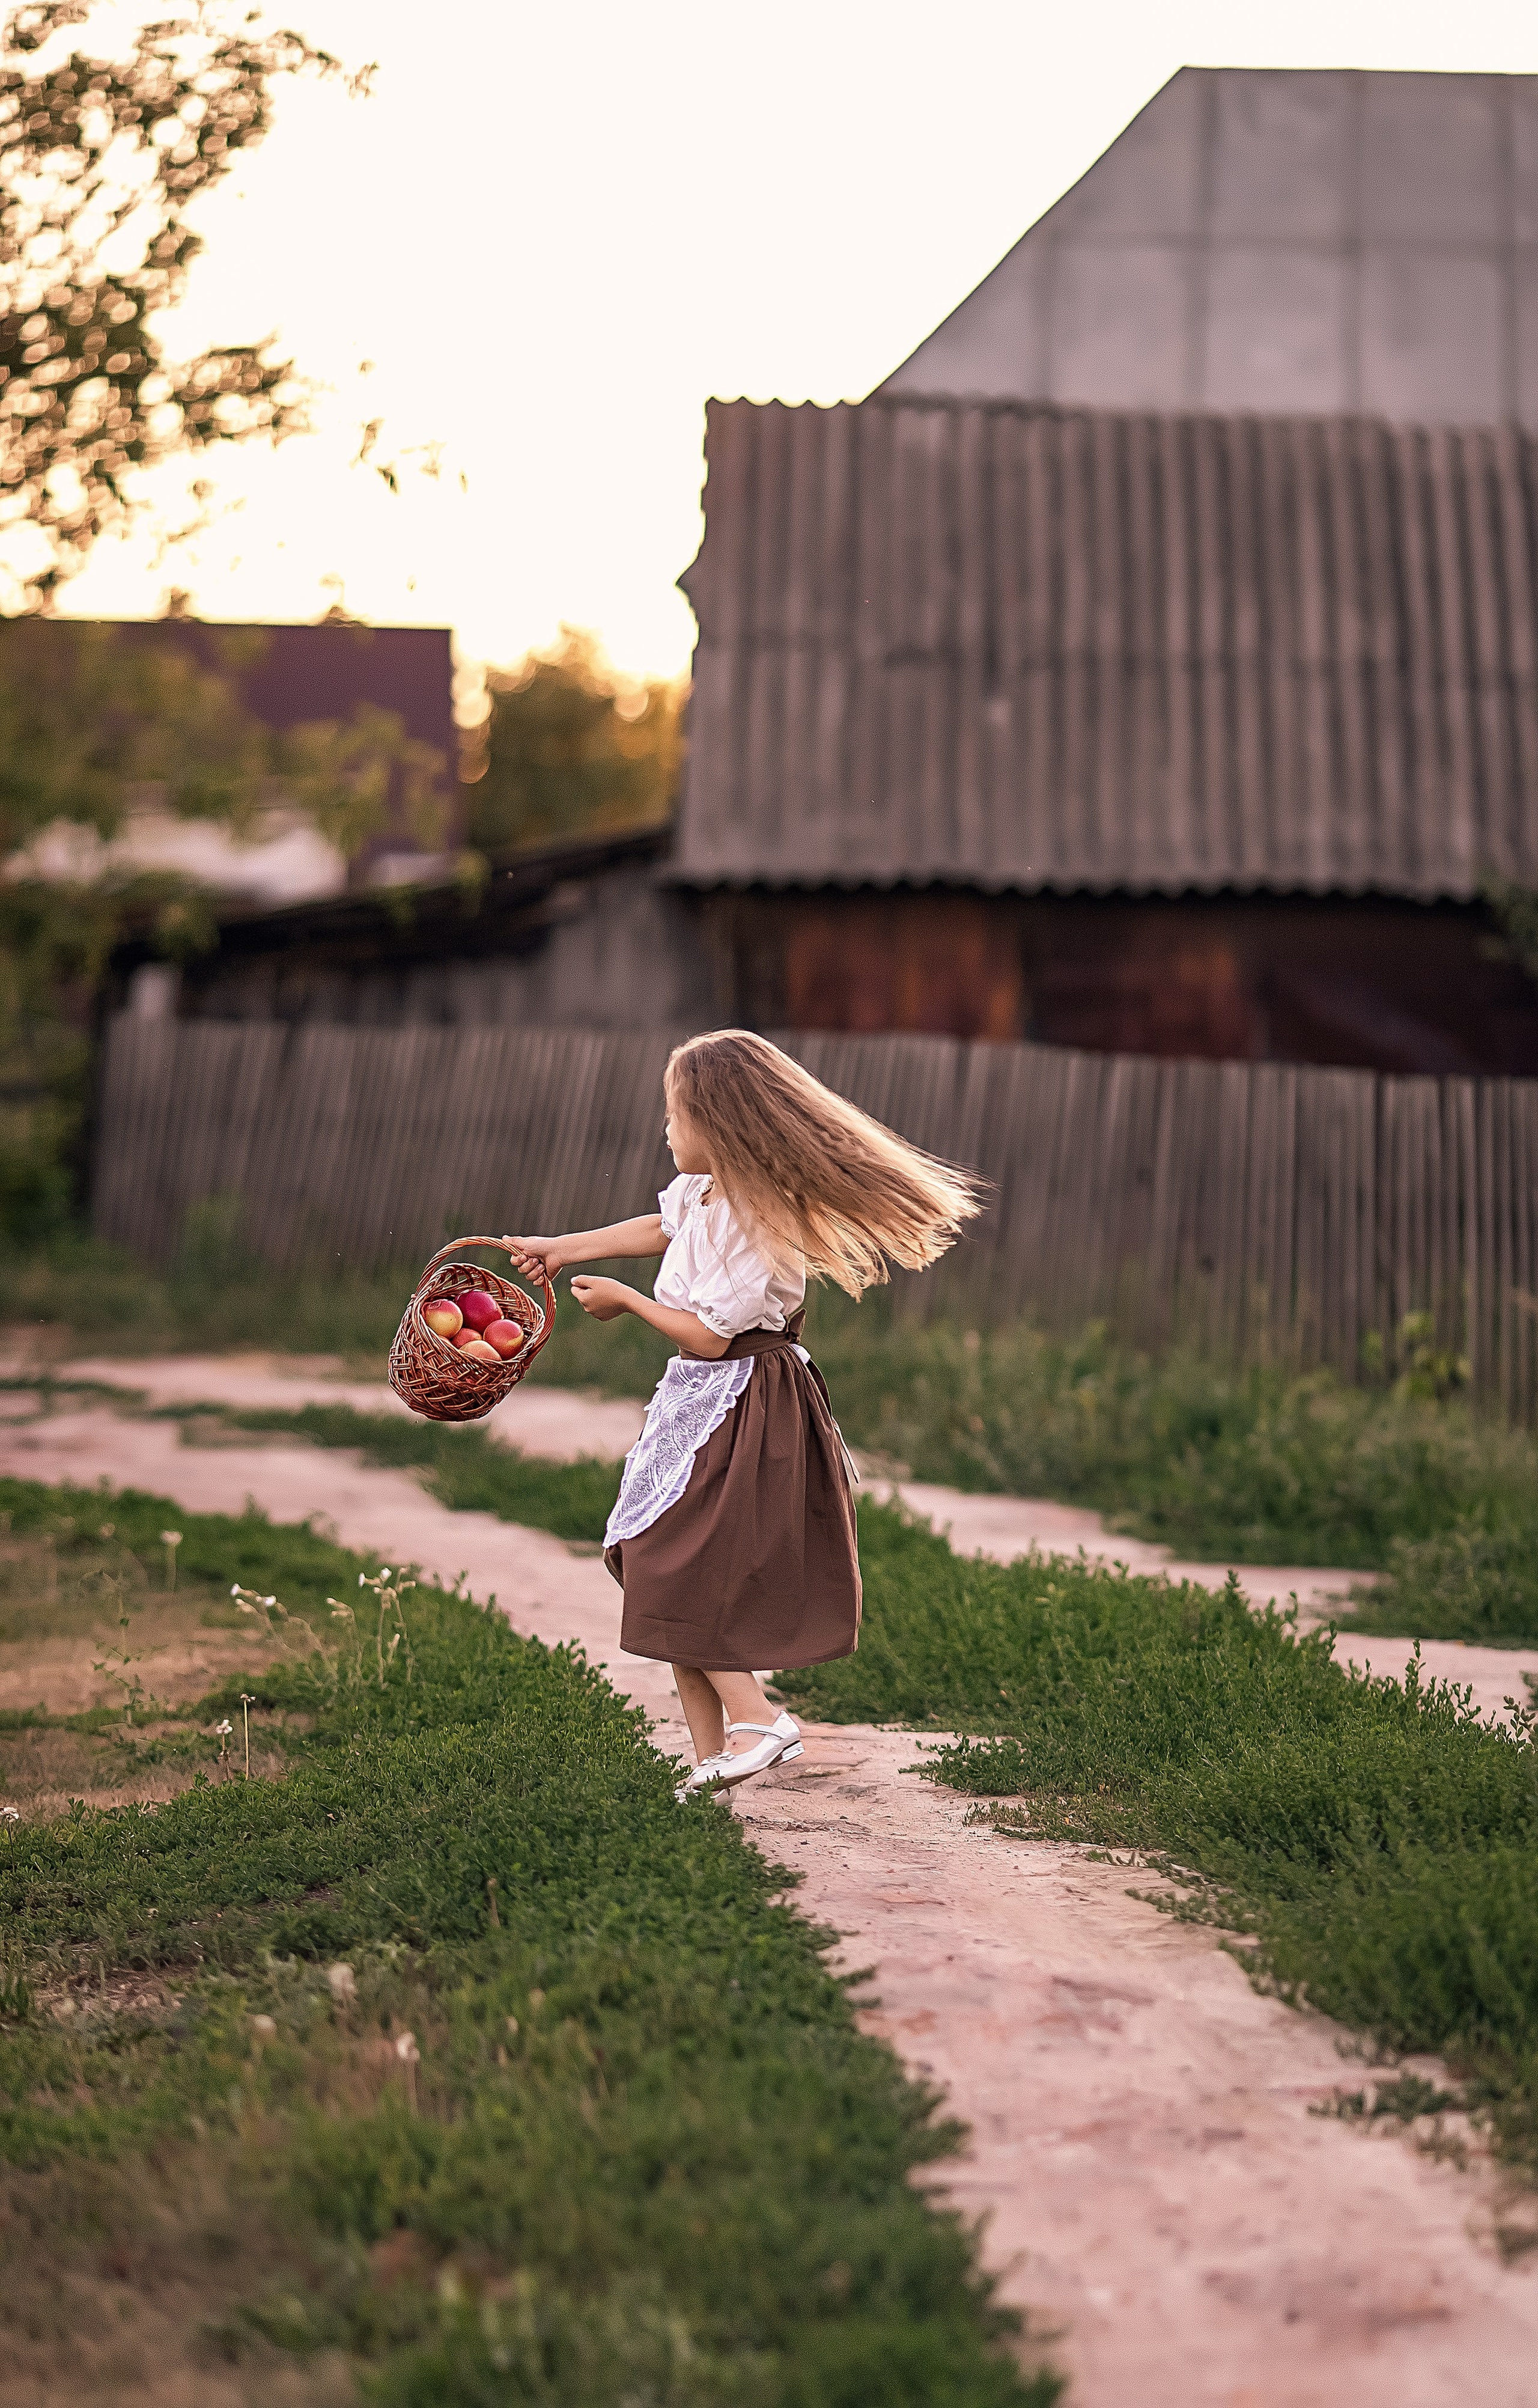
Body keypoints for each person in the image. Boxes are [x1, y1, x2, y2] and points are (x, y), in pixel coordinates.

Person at [507, 1029, 979, 1800]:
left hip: (744, 1396)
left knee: (673, 1562)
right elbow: (659, 1228)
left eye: (675, 1113)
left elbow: (711, 1333)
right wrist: (559, 1247)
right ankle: (710, 1760)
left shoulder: (756, 1221)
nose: (665, 1129)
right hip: (701, 1393)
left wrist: (628, 1300)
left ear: (718, 1123)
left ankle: (760, 1720)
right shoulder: (704, 1193)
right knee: (653, 1554)